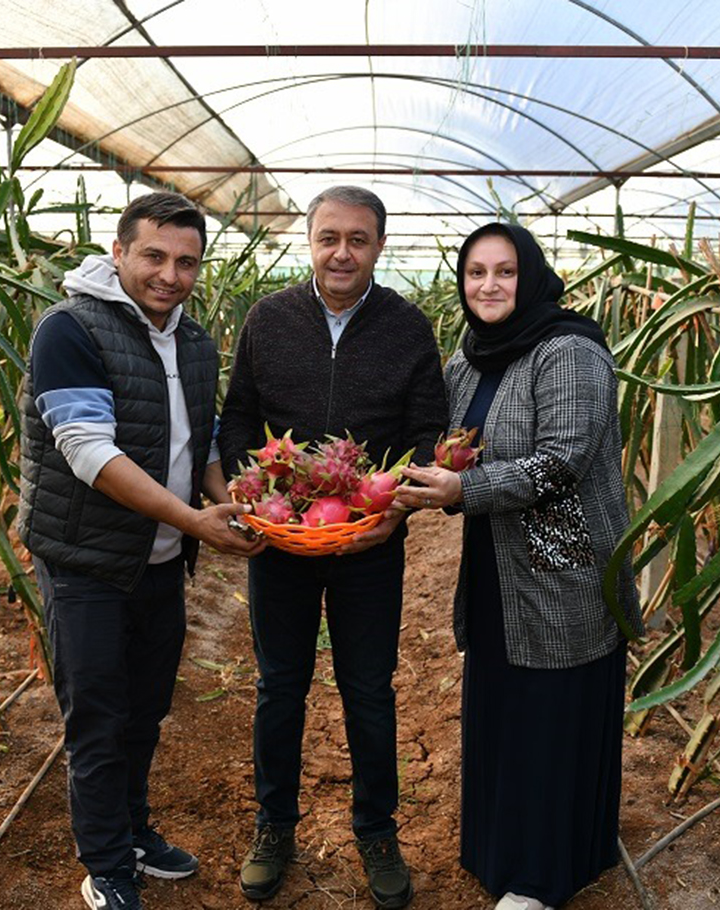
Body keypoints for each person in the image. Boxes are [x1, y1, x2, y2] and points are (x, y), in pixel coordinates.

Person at [17, 191, 264, 910]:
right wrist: (194, 522)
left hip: (157, 560)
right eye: (154, 256)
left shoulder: (194, 342)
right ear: (119, 251)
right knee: (97, 718)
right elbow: (89, 452)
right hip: (86, 560)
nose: (169, 275)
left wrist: (228, 499)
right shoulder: (69, 329)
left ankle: (131, 832)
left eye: (186, 262)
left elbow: (200, 441)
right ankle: (106, 865)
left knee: (146, 709)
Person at [394, 223, 644, 910]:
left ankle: (539, 877)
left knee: (550, 714)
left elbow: (562, 461)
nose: (489, 286)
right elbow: (450, 441)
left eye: (504, 271)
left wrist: (463, 488)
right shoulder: (471, 357)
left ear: (529, 276)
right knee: (505, 708)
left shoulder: (568, 351)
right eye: (475, 273)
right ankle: (501, 851)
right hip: (498, 562)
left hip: (564, 563)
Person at [218, 186, 448, 908]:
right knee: (279, 687)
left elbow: (426, 430)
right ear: (310, 241)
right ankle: (274, 826)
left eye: (357, 239)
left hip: (368, 541)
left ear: (379, 246)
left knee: (369, 690)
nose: (341, 253)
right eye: (329, 237)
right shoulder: (268, 318)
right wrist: (251, 493)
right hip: (282, 540)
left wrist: (394, 512)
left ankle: (377, 830)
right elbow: (239, 415)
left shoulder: (407, 327)